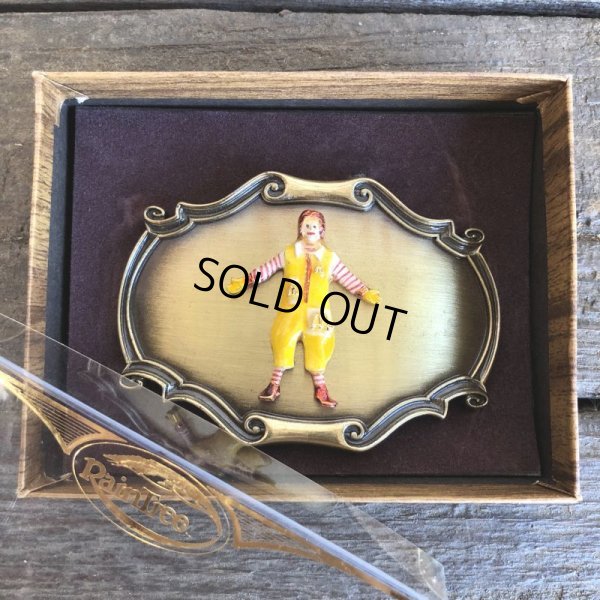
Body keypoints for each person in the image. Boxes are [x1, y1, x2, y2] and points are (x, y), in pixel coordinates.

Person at [227, 209, 380, 408]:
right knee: (282, 339)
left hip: (317, 312)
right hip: (290, 308)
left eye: (315, 226)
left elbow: (346, 277)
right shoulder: (289, 253)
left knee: (319, 344)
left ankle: (321, 388)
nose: (311, 229)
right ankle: (274, 385)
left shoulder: (329, 258)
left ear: (322, 230)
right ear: (300, 228)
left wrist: (364, 292)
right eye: (307, 225)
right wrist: (246, 281)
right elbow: (266, 269)